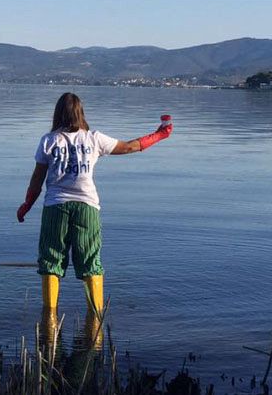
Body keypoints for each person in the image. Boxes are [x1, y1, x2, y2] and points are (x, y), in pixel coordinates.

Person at [17, 92, 173, 347]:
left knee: (51, 260)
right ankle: (95, 321)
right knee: (90, 262)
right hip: (88, 208)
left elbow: (37, 180)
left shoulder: (49, 141)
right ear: (81, 113)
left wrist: (26, 205)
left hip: (56, 207)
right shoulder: (94, 139)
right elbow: (132, 146)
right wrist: (160, 134)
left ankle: (50, 318)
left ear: (57, 113)